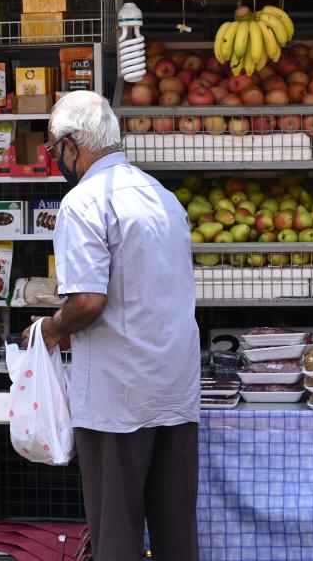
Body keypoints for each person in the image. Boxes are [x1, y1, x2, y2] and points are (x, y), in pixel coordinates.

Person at [23, 90, 201, 561]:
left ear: (71, 146)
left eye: (52, 150)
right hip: (174, 388)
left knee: (116, 531)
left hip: (117, 396)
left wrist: (50, 328)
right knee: (176, 531)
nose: (55, 160)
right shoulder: (162, 196)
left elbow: (86, 302)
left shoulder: (84, 202)